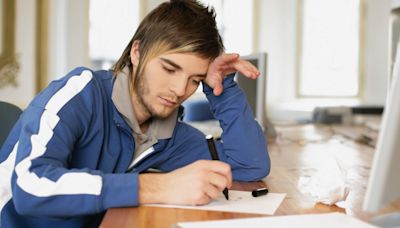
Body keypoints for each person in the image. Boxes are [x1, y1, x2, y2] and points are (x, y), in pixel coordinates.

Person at [0, 0, 270, 227]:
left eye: (194, 80)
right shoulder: (81, 93)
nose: (178, 90)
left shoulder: (168, 134)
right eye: (169, 68)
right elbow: (30, 186)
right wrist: (158, 187)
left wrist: (223, 90)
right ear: (137, 52)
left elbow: (249, 166)